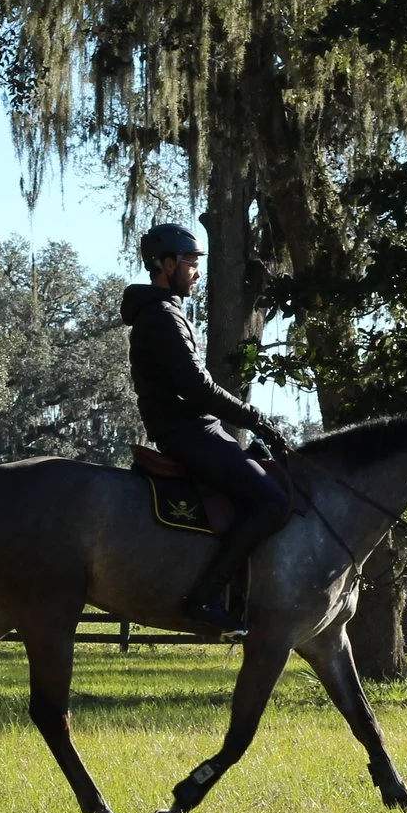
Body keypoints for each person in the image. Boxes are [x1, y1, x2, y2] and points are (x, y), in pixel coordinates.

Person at [121, 222, 293, 636]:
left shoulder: (168, 312)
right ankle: (205, 597)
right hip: (189, 433)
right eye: (190, 262)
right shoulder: (163, 316)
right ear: (164, 265)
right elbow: (198, 389)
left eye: (198, 262)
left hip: (199, 429)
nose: (196, 271)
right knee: (272, 502)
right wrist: (257, 420)